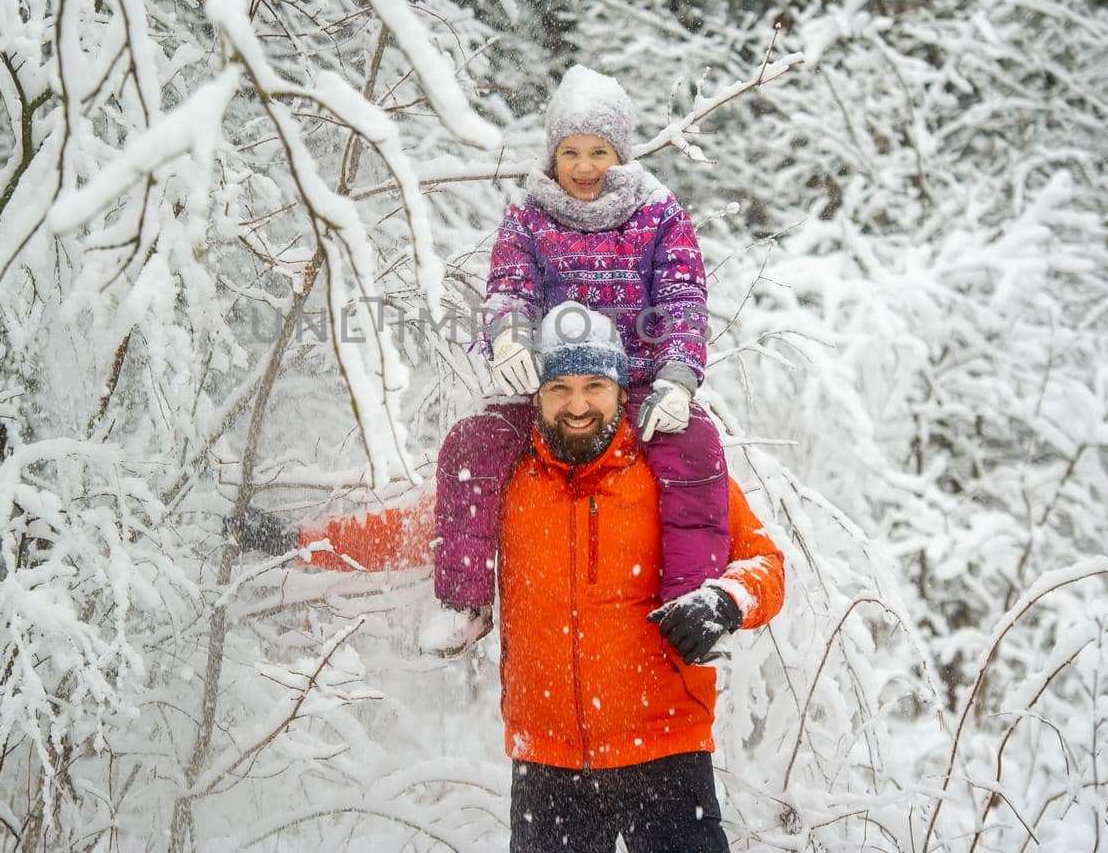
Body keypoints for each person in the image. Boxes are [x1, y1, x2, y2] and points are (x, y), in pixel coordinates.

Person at [232, 302, 786, 852]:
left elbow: (765, 562)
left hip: (666, 755)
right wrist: (297, 541)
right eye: (559, 387)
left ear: (622, 390)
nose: (577, 405)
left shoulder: (669, 477)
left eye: (595, 385)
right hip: (549, 768)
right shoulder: (504, 482)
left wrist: (726, 599)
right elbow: (401, 533)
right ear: (536, 396)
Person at [430, 65, 727, 653]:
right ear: (552, 154)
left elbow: (682, 300)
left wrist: (676, 380)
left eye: (599, 151)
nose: (585, 167)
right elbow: (510, 285)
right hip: (554, 385)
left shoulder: (658, 212)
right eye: (571, 151)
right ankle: (464, 602)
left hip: (633, 382)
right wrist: (511, 338)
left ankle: (693, 604)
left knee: (694, 446)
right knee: (473, 444)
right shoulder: (530, 212)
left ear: (622, 151)